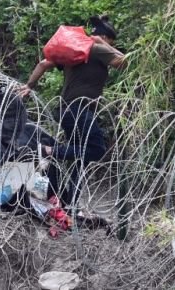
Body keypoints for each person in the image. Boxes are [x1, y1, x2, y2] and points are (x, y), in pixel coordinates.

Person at [19, 15, 126, 209]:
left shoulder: (76, 49)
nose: (112, 45)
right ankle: (46, 151)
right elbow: (124, 63)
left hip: (67, 110)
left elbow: (43, 64)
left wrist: (29, 86)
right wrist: (103, 43)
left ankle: (69, 204)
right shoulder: (96, 49)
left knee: (80, 157)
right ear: (105, 37)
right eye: (112, 40)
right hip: (79, 110)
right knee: (97, 150)